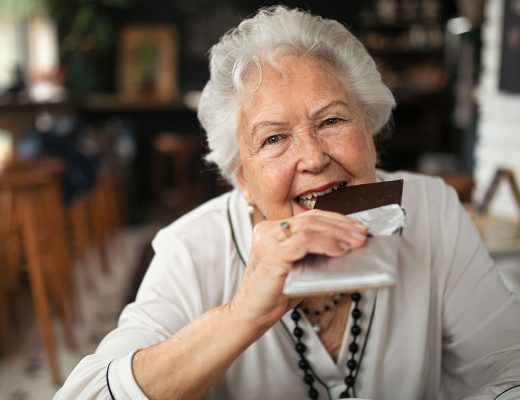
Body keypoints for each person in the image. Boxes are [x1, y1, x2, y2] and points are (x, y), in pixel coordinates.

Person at [55, 6, 520, 400]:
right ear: (240, 175)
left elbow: (508, 368)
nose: (314, 158)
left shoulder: (431, 209)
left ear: (370, 129)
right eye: (274, 138)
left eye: (332, 120)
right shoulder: (191, 250)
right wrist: (242, 314)